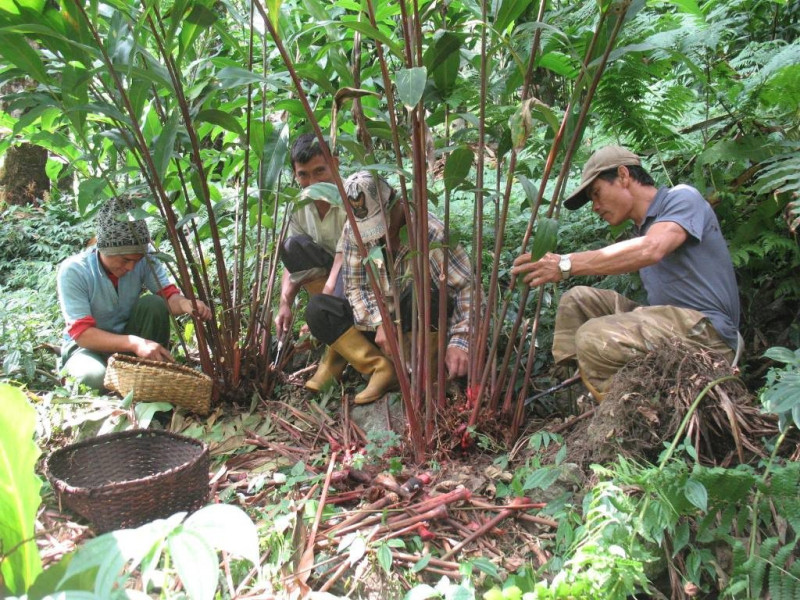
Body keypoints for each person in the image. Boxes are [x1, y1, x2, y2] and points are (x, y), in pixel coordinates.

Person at [512, 145, 740, 401]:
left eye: (596, 193)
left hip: (707, 333)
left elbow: (652, 248)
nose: (595, 206)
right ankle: (583, 392)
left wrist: (566, 264)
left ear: (623, 175)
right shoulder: (641, 229)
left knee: (592, 336)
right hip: (668, 324)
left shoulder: (682, 198)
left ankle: (625, 409)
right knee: (576, 301)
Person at [304, 171, 473, 404]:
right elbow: (355, 288)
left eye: (384, 222)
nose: (381, 235)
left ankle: (427, 374)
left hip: (423, 326)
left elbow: (467, 289)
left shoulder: (431, 232)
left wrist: (461, 342)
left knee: (419, 292)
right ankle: (383, 368)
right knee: (318, 309)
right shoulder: (354, 230)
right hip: (383, 332)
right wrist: (380, 321)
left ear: (396, 201)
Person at [57, 194, 212, 390]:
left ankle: (147, 373)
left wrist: (185, 304)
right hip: (86, 349)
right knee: (92, 378)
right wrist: (135, 343)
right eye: (125, 260)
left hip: (129, 343)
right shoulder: (75, 271)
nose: (131, 267)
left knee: (154, 304)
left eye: (136, 260)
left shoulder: (145, 260)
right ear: (104, 250)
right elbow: (83, 335)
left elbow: (167, 296)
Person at [274, 133, 347, 339]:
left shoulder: (353, 197)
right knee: (291, 247)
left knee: (327, 310)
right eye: (303, 175)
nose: (312, 182)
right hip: (329, 270)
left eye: (319, 171)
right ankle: (327, 316)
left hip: (357, 269)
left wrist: (323, 303)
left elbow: (343, 257)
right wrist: (285, 303)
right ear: (295, 175)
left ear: (335, 164)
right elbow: (292, 263)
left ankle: (329, 320)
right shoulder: (299, 206)